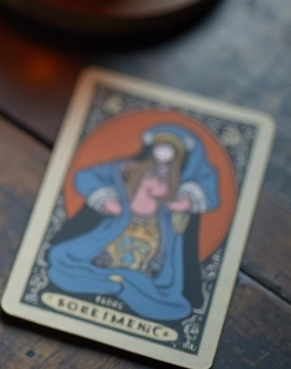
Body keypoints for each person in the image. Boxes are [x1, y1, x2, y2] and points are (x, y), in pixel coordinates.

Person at [46, 124, 220, 321]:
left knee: (153, 264)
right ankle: (108, 277)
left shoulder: (178, 180)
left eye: (170, 149)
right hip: (121, 225)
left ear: (178, 153)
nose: (163, 152)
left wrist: (185, 200)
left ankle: (135, 282)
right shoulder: (130, 168)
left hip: (156, 228)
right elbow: (86, 176)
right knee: (71, 255)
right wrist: (106, 199)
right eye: (160, 146)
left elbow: (206, 188)